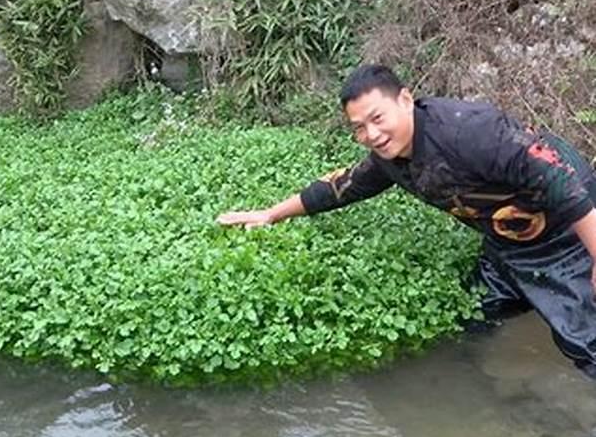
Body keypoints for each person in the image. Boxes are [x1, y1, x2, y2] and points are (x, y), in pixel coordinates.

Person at [216, 64, 596, 378]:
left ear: (405, 99)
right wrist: (270, 214)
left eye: (377, 118)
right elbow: (342, 187)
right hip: (506, 241)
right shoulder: (389, 157)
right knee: (477, 314)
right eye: (359, 128)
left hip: (567, 231)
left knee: (584, 342)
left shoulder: (471, 131)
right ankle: (493, 402)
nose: (372, 134)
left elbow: (563, 181)